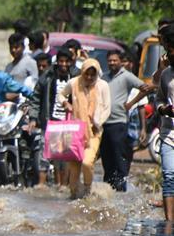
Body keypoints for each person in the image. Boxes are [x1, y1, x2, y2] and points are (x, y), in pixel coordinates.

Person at [100, 51, 154, 191]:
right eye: (110, 60)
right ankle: (108, 187)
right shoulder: (104, 77)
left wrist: (131, 103)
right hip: (103, 123)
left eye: (115, 60)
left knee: (119, 156)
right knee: (106, 157)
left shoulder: (126, 76)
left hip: (119, 122)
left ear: (120, 61)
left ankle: (121, 187)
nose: (112, 63)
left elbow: (145, 88)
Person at [60, 58, 110, 199]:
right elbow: (61, 94)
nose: (89, 77)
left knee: (87, 162)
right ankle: (74, 195)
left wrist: (98, 123)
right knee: (74, 166)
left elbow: (107, 109)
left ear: (96, 74)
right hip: (75, 130)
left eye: (92, 75)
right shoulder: (74, 83)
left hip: (94, 131)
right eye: (86, 74)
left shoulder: (103, 86)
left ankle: (87, 190)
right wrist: (65, 103)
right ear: (82, 72)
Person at [32, 48, 79, 186]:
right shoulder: (47, 77)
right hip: (49, 121)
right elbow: (36, 98)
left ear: (71, 62)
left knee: (64, 157)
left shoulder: (77, 77)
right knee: (44, 154)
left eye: (66, 61)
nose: (63, 64)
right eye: (61, 61)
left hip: (69, 123)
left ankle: (63, 186)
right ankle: (41, 185)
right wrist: (34, 118)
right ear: (57, 62)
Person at [156, 23, 174, 220]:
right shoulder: (166, 74)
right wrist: (163, 109)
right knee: (169, 177)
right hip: (169, 134)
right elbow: (159, 98)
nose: (167, 54)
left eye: (170, 50)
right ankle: (169, 222)